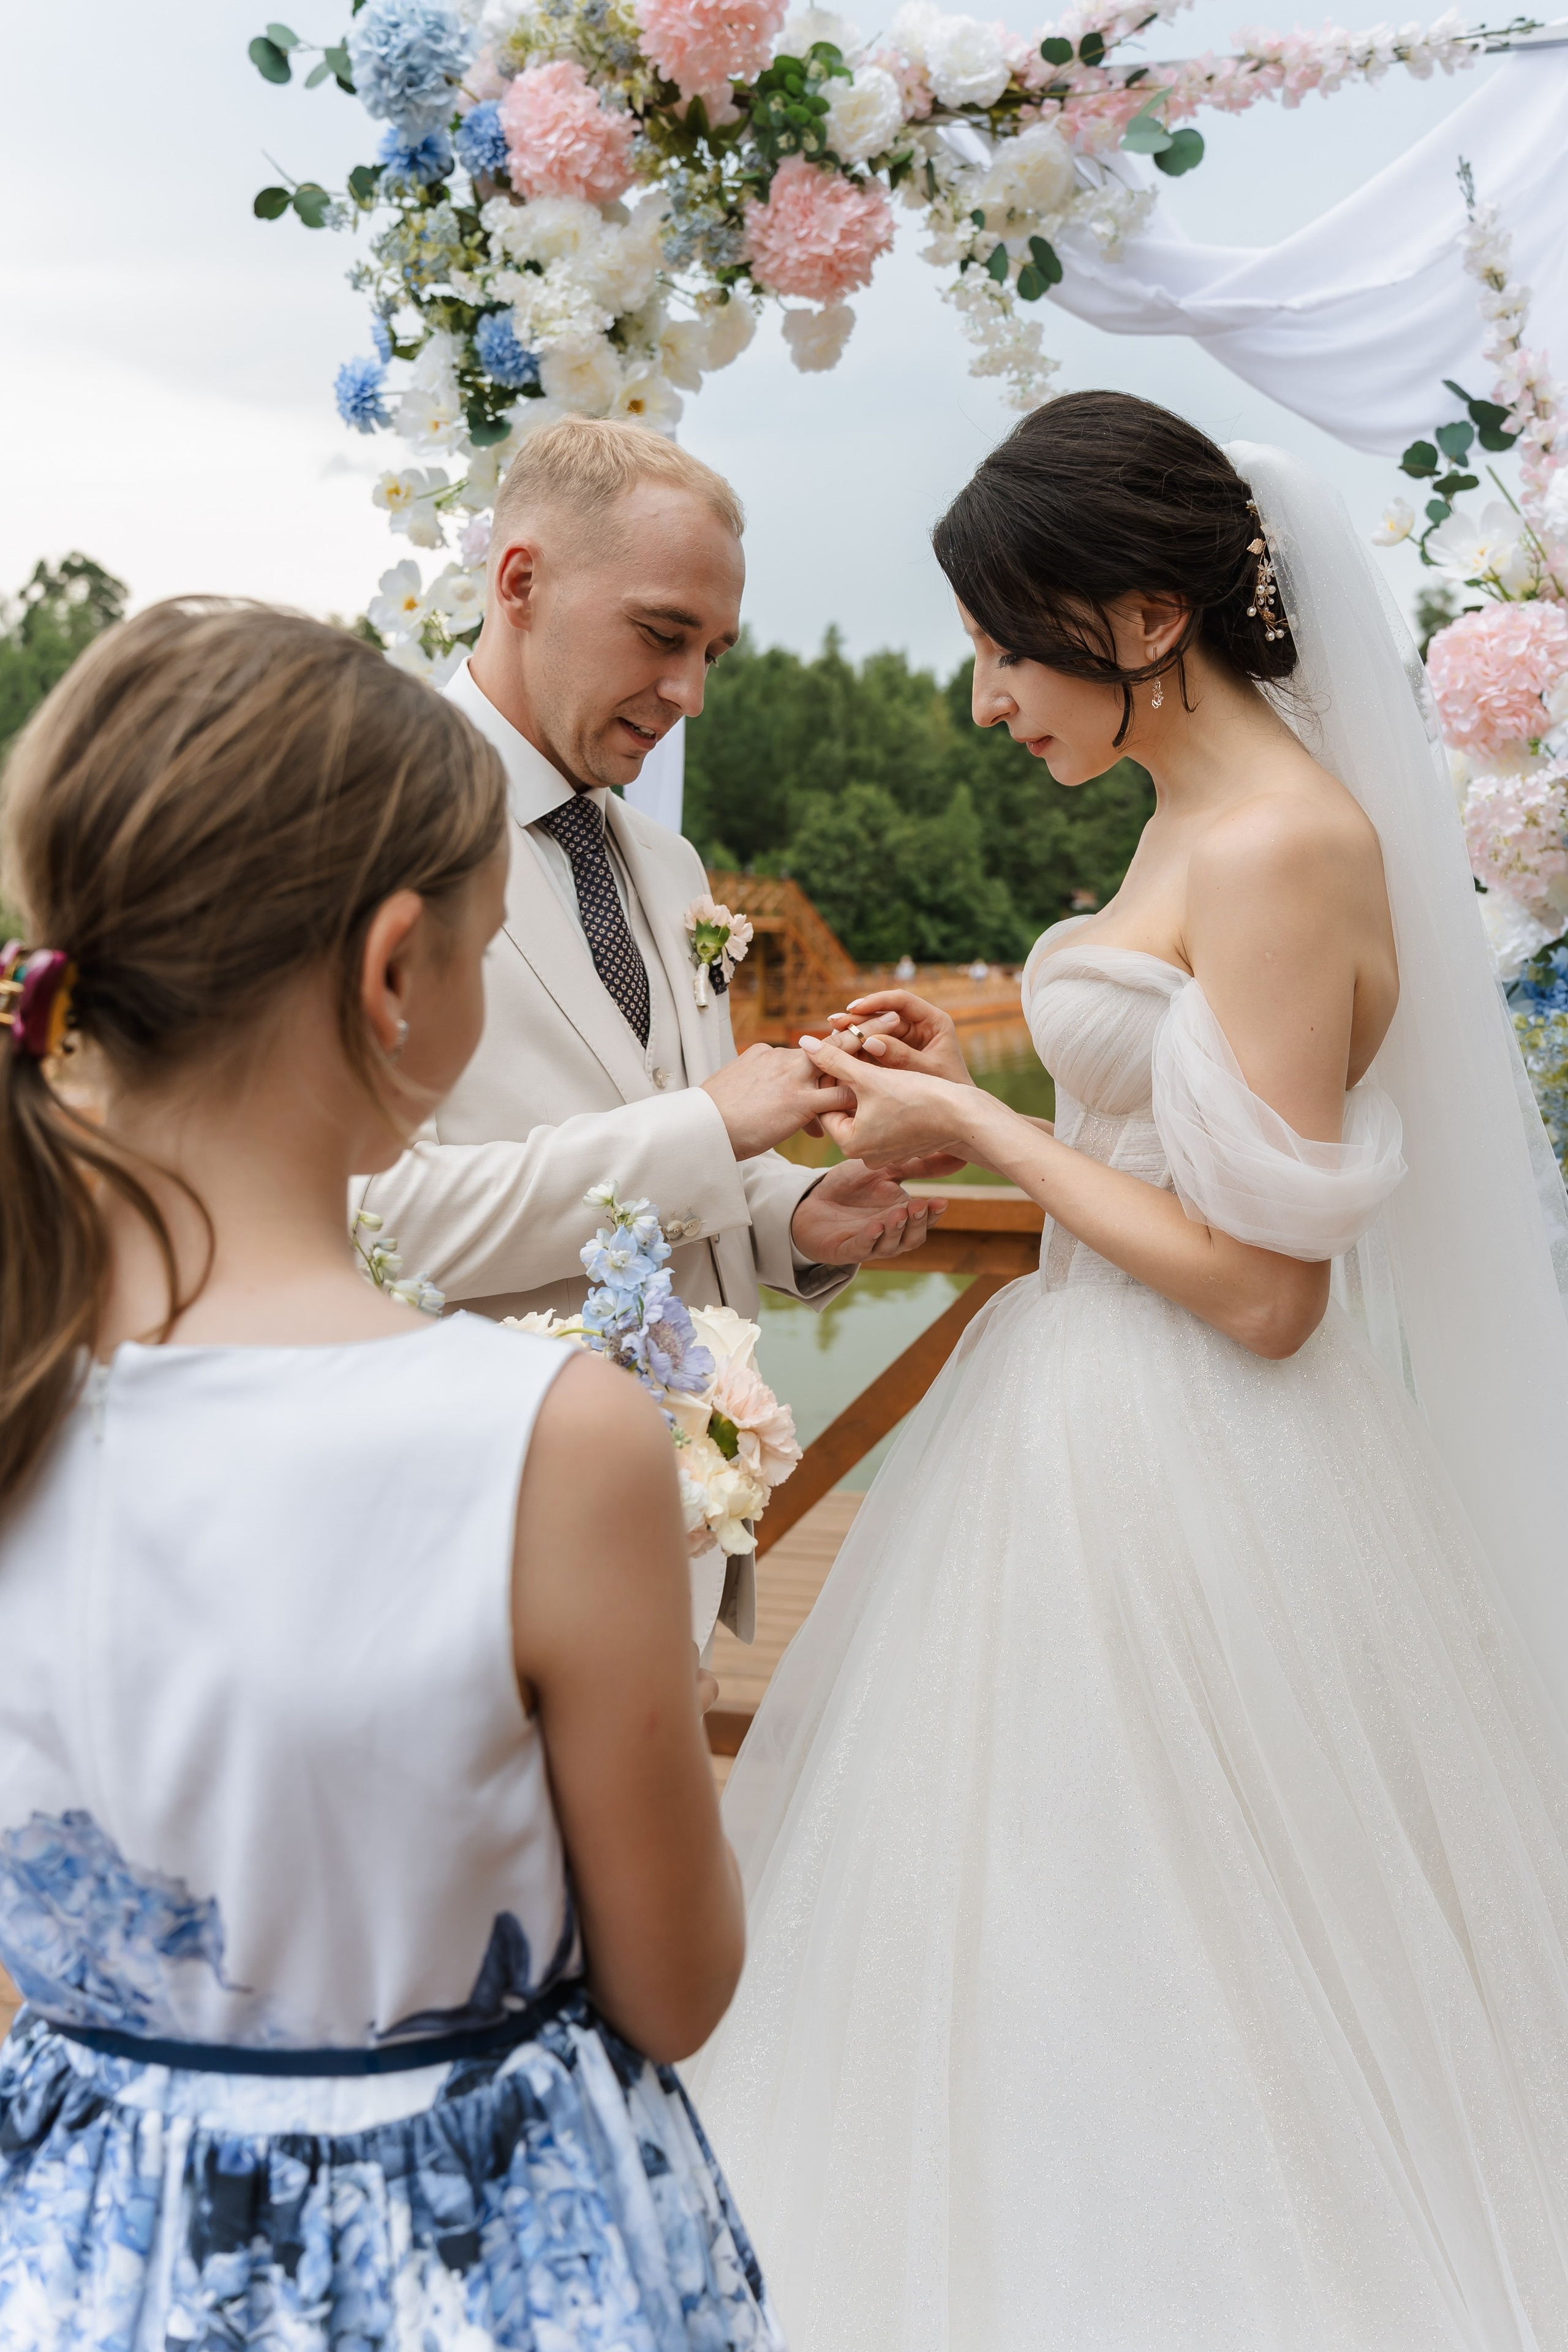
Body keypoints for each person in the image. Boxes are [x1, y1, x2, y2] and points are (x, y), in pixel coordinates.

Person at [686, 394, 1568, 2350]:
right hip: (1093, 1431)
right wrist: (977, 1075)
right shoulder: (1201, 819)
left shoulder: (1275, 846)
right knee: (1053, 1946)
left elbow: (1267, 1296)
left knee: (1184, 1957)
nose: (988, 697)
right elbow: (1182, 1121)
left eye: (1009, 642)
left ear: (1146, 616)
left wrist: (987, 1135)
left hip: (1199, 1455)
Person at [0, 600, 782, 2348]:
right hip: (475, 2258)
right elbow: (676, 1983)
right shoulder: (540, 1437)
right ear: (395, 972)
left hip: (80, 2252)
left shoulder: (27, 1374)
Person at [357, 417, 946, 1640]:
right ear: (518, 582)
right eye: (661, 634)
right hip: (467, 1551)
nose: (689, 692)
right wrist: (707, 1127)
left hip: (670, 1537)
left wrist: (795, 1214)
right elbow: (363, 1221)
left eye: (713, 650)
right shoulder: (363, 821)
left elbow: (675, 1135)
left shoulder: (666, 862)